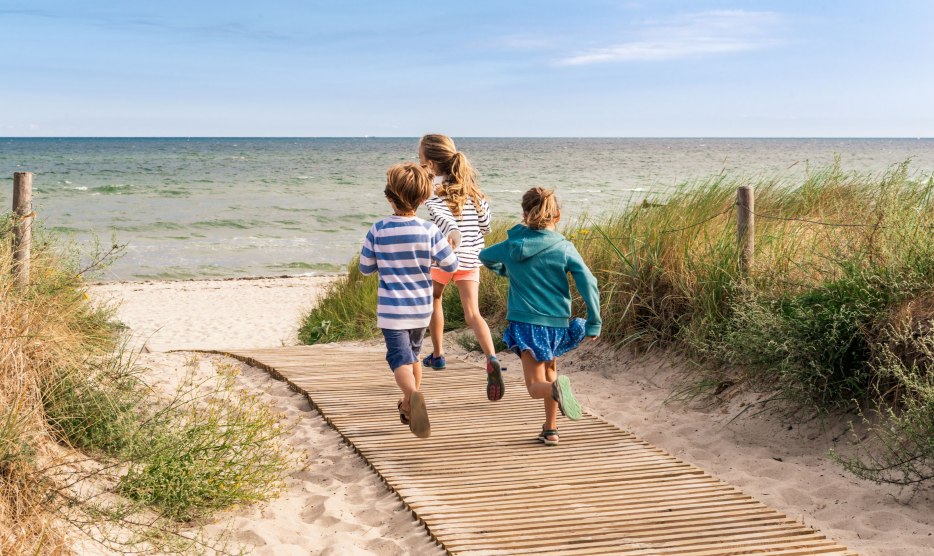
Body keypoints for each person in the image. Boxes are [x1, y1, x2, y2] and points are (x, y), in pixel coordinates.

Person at [478, 187, 601, 446]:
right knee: (551, 373)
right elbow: (588, 280)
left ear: (524, 214)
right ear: (557, 216)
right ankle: (551, 428)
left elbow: (484, 256)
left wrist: (506, 269)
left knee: (536, 386)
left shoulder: (512, 245)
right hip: (556, 324)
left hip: (527, 324)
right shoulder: (564, 247)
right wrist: (594, 320)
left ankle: (554, 398)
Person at [359, 162, 458, 438]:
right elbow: (450, 266)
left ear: (389, 197)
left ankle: (412, 394)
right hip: (420, 309)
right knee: (414, 355)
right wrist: (450, 247)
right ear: (424, 199)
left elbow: (365, 268)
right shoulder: (428, 231)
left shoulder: (378, 230)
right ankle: (408, 404)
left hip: (392, 311)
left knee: (399, 359)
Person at [418, 134, 505, 402]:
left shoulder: (434, 193)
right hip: (471, 259)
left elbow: (442, 218)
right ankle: (491, 357)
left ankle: (438, 355)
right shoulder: (474, 192)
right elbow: (487, 224)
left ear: (431, 165)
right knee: (473, 313)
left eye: (421, 160)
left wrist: (453, 231)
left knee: (435, 298)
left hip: (446, 255)